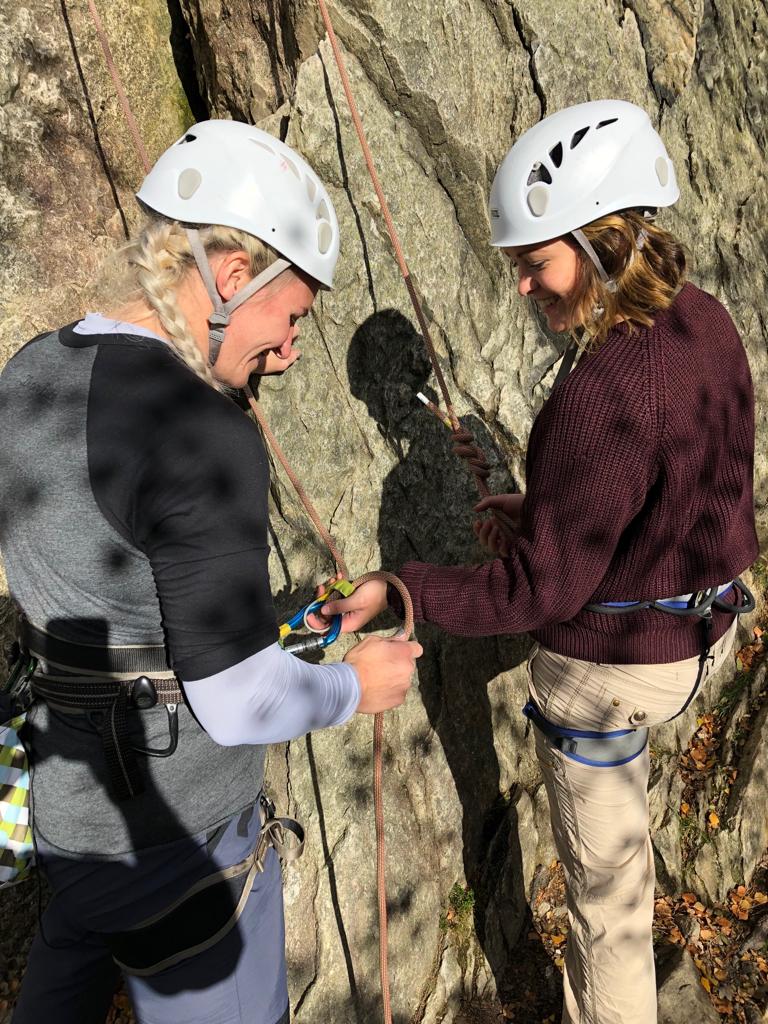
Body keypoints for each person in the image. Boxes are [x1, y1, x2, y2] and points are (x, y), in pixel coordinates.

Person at [323, 99, 758, 1024]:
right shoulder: (703, 322)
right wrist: (546, 512)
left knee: (608, 918)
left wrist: (405, 585)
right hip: (704, 630)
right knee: (625, 872)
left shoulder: (603, 387)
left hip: (611, 676)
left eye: (534, 263)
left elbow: (538, 593)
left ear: (602, 244)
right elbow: (673, 485)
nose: (522, 287)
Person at [0, 119, 421, 1024]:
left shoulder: (30, 372)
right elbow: (233, 700)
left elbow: (123, 602)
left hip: (71, 825)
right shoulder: (201, 429)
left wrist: (291, 627)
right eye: (294, 314)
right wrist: (354, 686)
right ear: (233, 279)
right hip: (182, 848)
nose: (292, 349)